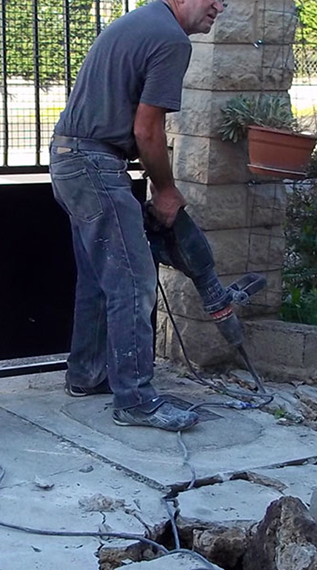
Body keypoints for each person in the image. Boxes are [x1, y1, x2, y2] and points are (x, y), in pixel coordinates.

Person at [49, 0, 225, 431]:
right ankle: (136, 399)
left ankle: (87, 374)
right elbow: (147, 129)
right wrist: (165, 189)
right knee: (134, 280)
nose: (220, 6)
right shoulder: (170, 38)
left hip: (70, 157)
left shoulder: (141, 21)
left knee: (99, 275)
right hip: (93, 164)